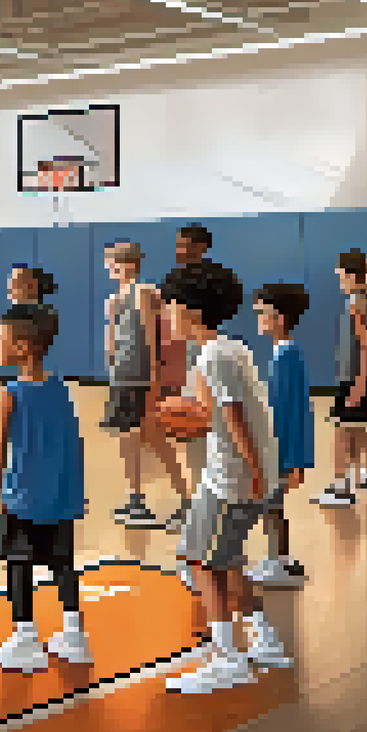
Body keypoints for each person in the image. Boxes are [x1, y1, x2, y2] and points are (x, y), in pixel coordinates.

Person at [160, 261, 292, 694]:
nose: (166, 316)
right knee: (226, 558)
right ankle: (262, 636)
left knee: (201, 563)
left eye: (171, 308)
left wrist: (252, 473)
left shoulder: (212, 356)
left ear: (191, 312)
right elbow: (220, 407)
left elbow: (234, 417)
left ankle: (227, 659)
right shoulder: (232, 349)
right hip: (239, 477)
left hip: (231, 480)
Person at [0, 303, 92, 672]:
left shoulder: (10, 393)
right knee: (64, 564)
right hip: (60, 496)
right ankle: (75, 635)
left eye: (1, 341)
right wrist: (74, 491)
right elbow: (73, 442)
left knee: (20, 565)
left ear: (23, 347)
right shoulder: (61, 388)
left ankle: (25, 637)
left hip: (23, 497)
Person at [101, 241, 188, 529]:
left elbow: (152, 336)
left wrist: (154, 375)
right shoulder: (116, 298)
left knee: (153, 436)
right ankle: (136, 500)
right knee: (129, 438)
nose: (108, 268)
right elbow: (112, 344)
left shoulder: (144, 292)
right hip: (121, 375)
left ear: (127, 264)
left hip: (139, 376)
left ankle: (187, 501)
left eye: (112, 262)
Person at [247, 284, 310, 587]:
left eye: (263, 313)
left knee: (270, 507)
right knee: (274, 507)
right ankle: (281, 560)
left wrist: (293, 460)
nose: (258, 318)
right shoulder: (286, 352)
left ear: (280, 318)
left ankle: (277, 564)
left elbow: (288, 413)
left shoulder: (285, 357)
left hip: (279, 449)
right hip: (281, 449)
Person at [318, 249, 367, 504]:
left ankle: (340, 487)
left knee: (341, 431)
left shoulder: (359, 301)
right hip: (352, 376)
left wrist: (359, 383)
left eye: (343, 276)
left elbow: (366, 345)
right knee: (357, 427)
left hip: (353, 378)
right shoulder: (360, 299)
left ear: (355, 276)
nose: (341, 281)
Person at [162, 223, 216, 531]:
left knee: (202, 433)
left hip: (201, 359)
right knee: (190, 439)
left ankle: (203, 509)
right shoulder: (176, 279)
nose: (181, 250)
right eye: (180, 244)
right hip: (186, 362)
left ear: (202, 247)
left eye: (187, 245)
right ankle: (197, 504)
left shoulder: (210, 283)